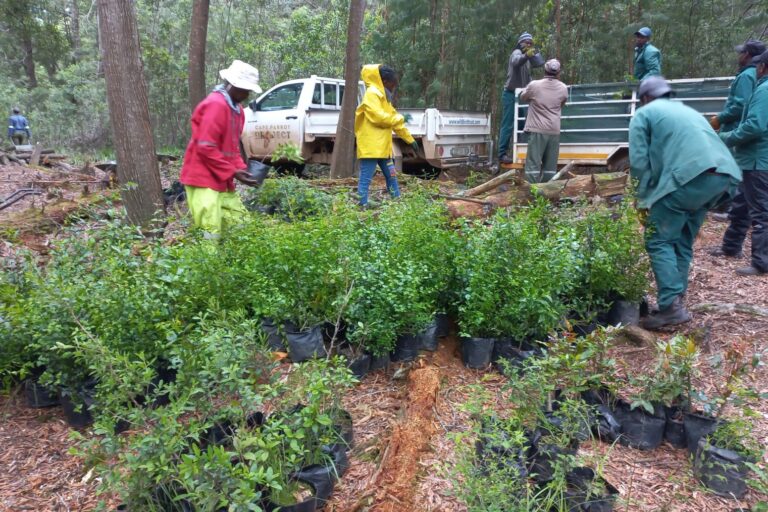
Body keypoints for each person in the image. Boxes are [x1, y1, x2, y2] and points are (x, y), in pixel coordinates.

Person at [629, 76, 741, 330]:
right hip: (723, 178)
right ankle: (676, 299)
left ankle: (670, 307)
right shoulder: (688, 112)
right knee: (681, 239)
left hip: (691, 177)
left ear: (645, 98)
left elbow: (638, 161)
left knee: (658, 240)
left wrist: (642, 198)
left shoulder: (644, 115)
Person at [180, 60, 262, 235]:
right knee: (210, 232)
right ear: (234, 85)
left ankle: (232, 262)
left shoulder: (238, 111)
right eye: (246, 89)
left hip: (222, 180)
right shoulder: (215, 105)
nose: (247, 94)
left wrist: (241, 170)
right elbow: (205, 146)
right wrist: (233, 172)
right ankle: (208, 263)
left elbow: (232, 148)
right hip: (201, 178)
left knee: (241, 227)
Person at [708, 39, 765, 253]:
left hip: (754, 153)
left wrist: (724, 127)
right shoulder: (757, 80)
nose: (739, 55)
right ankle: (731, 246)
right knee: (742, 201)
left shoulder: (755, 82)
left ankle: (761, 261)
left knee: (758, 209)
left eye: (742, 52)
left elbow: (752, 122)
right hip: (749, 151)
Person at [354, 64, 418, 207]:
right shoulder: (372, 94)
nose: (393, 88)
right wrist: (401, 118)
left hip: (383, 148)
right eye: (392, 84)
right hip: (371, 148)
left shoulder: (383, 97)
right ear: (383, 81)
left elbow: (394, 120)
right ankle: (361, 205)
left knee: (392, 175)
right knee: (366, 178)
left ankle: (397, 202)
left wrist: (410, 139)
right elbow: (379, 117)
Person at [499, 32, 544, 164]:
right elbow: (516, 62)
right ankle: (502, 154)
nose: (529, 45)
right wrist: (526, 55)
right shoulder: (517, 53)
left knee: (522, 125)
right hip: (511, 93)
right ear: (521, 43)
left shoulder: (528, 60)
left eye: (531, 43)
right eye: (527, 43)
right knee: (508, 124)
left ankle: (518, 152)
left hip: (522, 95)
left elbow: (535, 68)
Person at [520, 59, 568, 182]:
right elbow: (562, 103)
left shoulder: (534, 85)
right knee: (550, 166)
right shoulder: (563, 88)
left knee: (533, 164)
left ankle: (531, 192)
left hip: (537, 130)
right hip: (554, 130)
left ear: (545, 70)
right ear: (558, 72)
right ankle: (547, 193)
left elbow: (523, 97)